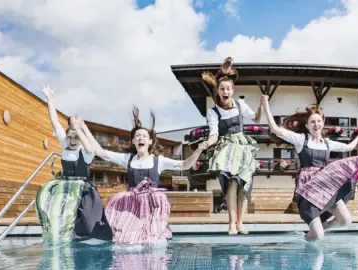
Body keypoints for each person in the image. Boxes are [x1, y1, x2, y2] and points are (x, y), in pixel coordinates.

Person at [82, 106, 205, 245]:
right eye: (137, 136)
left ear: (150, 142)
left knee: (152, 240)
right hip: (133, 206)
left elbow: (185, 165)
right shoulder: (127, 159)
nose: (141, 138)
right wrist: (84, 128)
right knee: (127, 241)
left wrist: (198, 150)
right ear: (134, 141)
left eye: (144, 136)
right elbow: (100, 152)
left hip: (153, 205)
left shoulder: (159, 161)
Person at [263, 100, 358, 241]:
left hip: (326, 187)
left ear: (323, 123)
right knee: (318, 236)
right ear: (307, 126)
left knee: (346, 220)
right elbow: (276, 129)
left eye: (319, 121)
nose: (316, 124)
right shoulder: (301, 140)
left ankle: (322, 227)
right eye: (312, 122)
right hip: (310, 190)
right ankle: (310, 237)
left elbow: (348, 148)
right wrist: (266, 106)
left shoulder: (328, 143)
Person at [36, 84, 110, 244]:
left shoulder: (85, 152)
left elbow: (90, 148)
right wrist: (50, 99)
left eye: (76, 138)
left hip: (84, 191)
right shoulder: (65, 146)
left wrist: (79, 129)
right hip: (65, 189)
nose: (72, 140)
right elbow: (54, 121)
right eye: (70, 137)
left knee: (89, 224)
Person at [198, 57, 263, 235]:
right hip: (227, 149)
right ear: (217, 91)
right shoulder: (213, 112)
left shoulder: (241, 104)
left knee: (244, 184)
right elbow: (214, 134)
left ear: (233, 90)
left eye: (228, 88)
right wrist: (207, 143)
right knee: (232, 184)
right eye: (222, 89)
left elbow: (256, 119)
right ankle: (231, 224)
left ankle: (240, 223)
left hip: (243, 148)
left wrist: (261, 106)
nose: (225, 91)